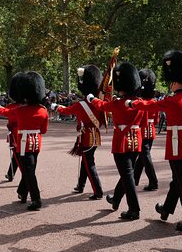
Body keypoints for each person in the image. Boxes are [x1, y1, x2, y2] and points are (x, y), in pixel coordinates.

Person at [128, 51, 182, 232]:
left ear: (174, 81)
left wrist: (131, 104)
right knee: (178, 179)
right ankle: (167, 208)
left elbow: (149, 105)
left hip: (177, 144)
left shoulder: (171, 100)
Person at [88, 62, 144, 220]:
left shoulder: (118, 103)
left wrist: (91, 98)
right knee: (128, 173)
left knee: (127, 175)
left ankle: (134, 209)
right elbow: (144, 124)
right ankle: (116, 198)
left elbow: (101, 106)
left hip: (122, 143)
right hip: (136, 141)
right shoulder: (140, 104)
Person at [0, 71, 49, 211]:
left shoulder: (19, 111)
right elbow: (44, 130)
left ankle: (36, 200)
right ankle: (22, 192)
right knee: (30, 171)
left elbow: (4, 112)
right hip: (36, 144)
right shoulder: (43, 111)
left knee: (29, 173)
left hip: (23, 144)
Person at [53, 65, 105, 199]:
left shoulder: (80, 105)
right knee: (86, 161)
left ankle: (98, 191)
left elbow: (65, 111)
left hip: (86, 136)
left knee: (89, 163)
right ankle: (81, 185)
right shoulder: (98, 103)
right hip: (96, 136)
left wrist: (55, 106)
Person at [133, 69, 160, 191]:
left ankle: (153, 182)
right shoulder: (154, 102)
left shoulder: (140, 102)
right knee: (142, 157)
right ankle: (134, 179)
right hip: (151, 131)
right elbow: (157, 121)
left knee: (145, 156)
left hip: (142, 132)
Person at [2, 75, 21, 182]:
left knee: (17, 155)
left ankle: (25, 175)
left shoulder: (11, 107)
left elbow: (4, 112)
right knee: (16, 155)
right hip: (18, 133)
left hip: (15, 134)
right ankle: (10, 173)